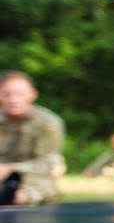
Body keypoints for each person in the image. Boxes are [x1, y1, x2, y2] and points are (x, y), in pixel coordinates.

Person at [0, 71, 65, 206]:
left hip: (31, 176)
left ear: (32, 94)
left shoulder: (48, 123)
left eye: (20, 94)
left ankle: (11, 197)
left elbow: (48, 163)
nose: (13, 100)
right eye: (6, 94)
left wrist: (10, 169)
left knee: (34, 191)